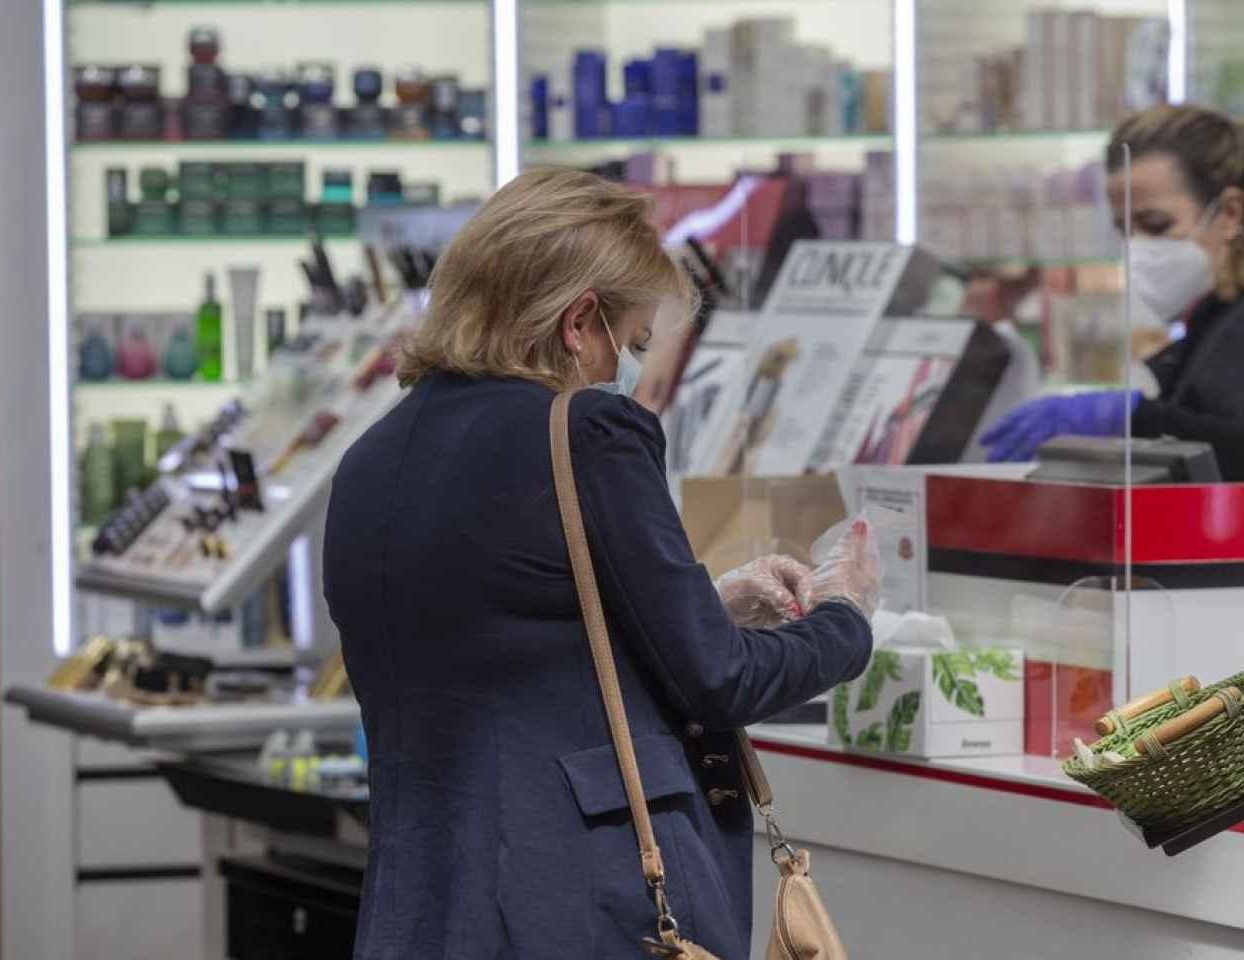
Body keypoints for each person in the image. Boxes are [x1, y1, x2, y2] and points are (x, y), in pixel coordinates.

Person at [322, 168, 878, 959]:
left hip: (422, 909)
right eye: (637, 341)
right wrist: (844, 614)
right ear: (580, 321)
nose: (631, 370)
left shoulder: (370, 459)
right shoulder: (587, 430)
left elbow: (505, 641)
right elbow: (721, 682)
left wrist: (702, 606)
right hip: (582, 905)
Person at [979, 104, 1244, 485]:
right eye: (1125, 230)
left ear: (1230, 214)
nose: (1137, 247)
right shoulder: (1212, 324)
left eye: (1155, 224)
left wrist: (1131, 419)